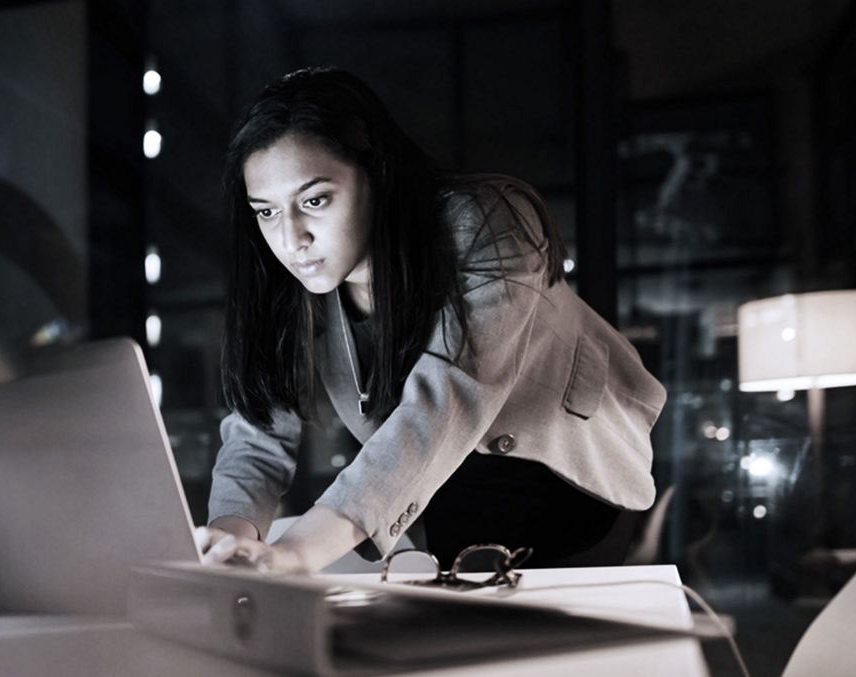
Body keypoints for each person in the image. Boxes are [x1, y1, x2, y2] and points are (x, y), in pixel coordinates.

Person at [198, 67, 666, 574]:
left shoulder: (486, 222)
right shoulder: (296, 281)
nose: (292, 239)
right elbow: (260, 434)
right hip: (443, 490)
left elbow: (446, 397)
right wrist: (228, 545)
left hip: (568, 483)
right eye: (266, 212)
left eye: (315, 200)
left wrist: (295, 552)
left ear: (376, 173)